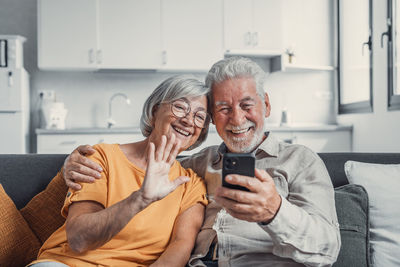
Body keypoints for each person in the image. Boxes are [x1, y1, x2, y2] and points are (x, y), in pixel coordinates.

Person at [63, 57, 341, 266]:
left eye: (246, 105)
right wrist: (71, 162)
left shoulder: (300, 161)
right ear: (212, 121)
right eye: (223, 109)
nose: (237, 119)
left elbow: (327, 250)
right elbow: (143, 162)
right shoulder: (194, 166)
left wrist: (275, 211)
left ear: (265, 105)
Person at [29, 75, 211, 267]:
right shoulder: (102, 157)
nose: (189, 121)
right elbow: (79, 239)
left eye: (199, 117)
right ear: (155, 110)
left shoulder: (191, 185)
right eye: (180, 107)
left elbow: (180, 247)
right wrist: (140, 199)